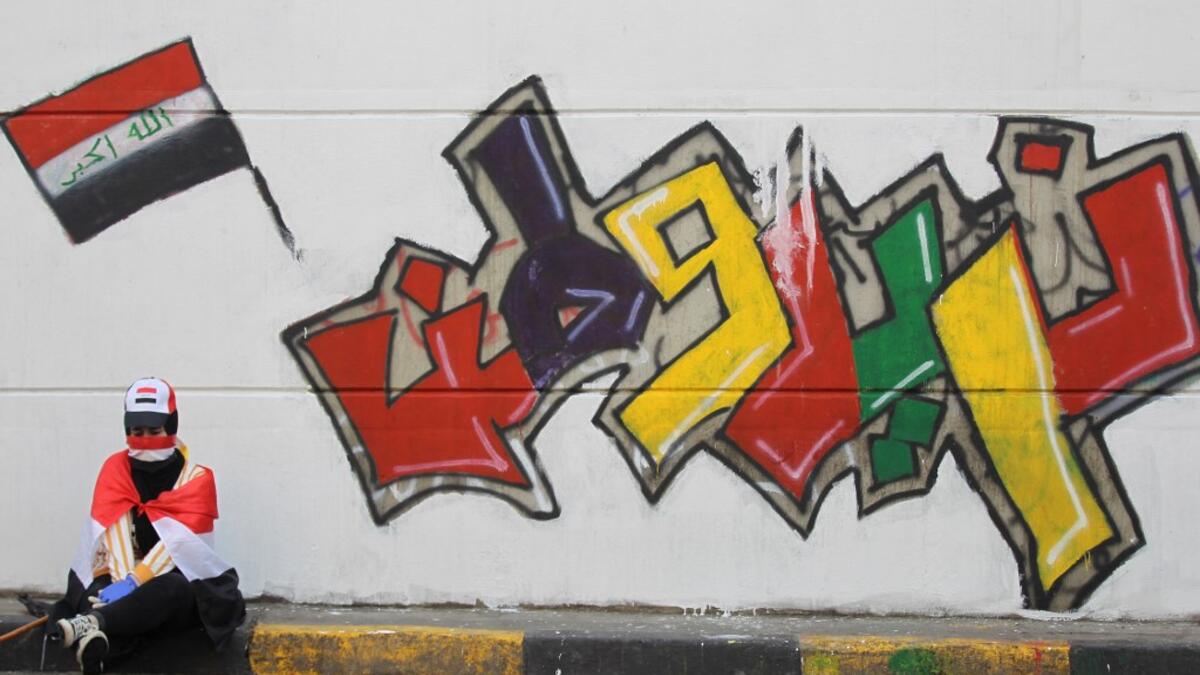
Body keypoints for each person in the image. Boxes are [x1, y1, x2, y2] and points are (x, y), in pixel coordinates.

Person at [47, 377, 245, 673]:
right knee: (96, 586)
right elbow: (111, 532)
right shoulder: (115, 469)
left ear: (172, 427)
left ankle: (93, 624)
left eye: (154, 431)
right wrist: (119, 582)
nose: (145, 440)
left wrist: (134, 583)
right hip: (120, 572)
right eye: (136, 432)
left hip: (181, 582)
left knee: (171, 588)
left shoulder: (197, 479)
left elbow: (177, 544)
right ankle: (97, 642)